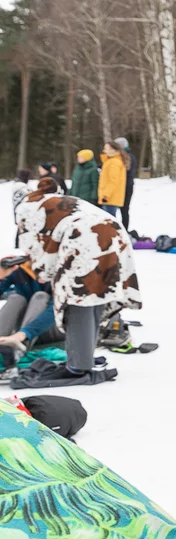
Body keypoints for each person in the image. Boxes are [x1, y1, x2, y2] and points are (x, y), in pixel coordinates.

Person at [15, 178, 140, 386]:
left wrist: (42, 271)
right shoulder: (54, 199)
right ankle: (84, 357)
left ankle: (78, 366)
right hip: (112, 232)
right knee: (96, 294)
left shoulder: (25, 209)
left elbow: (34, 248)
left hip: (84, 237)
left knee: (76, 299)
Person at [0, 253, 58, 380]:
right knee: (16, 298)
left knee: (40, 296)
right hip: (23, 331)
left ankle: (19, 349)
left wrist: (24, 333)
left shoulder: (57, 270)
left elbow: (54, 310)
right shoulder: (20, 270)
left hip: (52, 328)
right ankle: (3, 343)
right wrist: (2, 275)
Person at [98, 140, 129, 219]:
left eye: (107, 148)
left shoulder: (114, 162)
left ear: (113, 149)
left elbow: (113, 180)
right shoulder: (109, 161)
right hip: (109, 197)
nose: (104, 150)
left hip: (110, 198)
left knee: (109, 220)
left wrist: (106, 195)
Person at [114, 136, 138, 230]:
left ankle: (124, 230)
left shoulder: (128, 157)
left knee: (124, 210)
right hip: (124, 186)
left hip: (126, 187)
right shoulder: (121, 157)